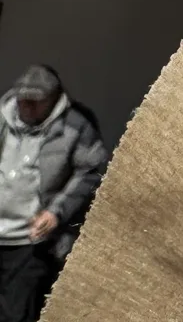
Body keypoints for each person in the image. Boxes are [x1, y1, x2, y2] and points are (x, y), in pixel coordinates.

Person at [0, 67, 107, 322]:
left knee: (15, 313)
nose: (27, 108)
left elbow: (90, 172)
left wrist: (56, 212)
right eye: (23, 100)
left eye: (36, 102)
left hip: (29, 241)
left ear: (54, 99)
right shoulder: (3, 115)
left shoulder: (76, 126)